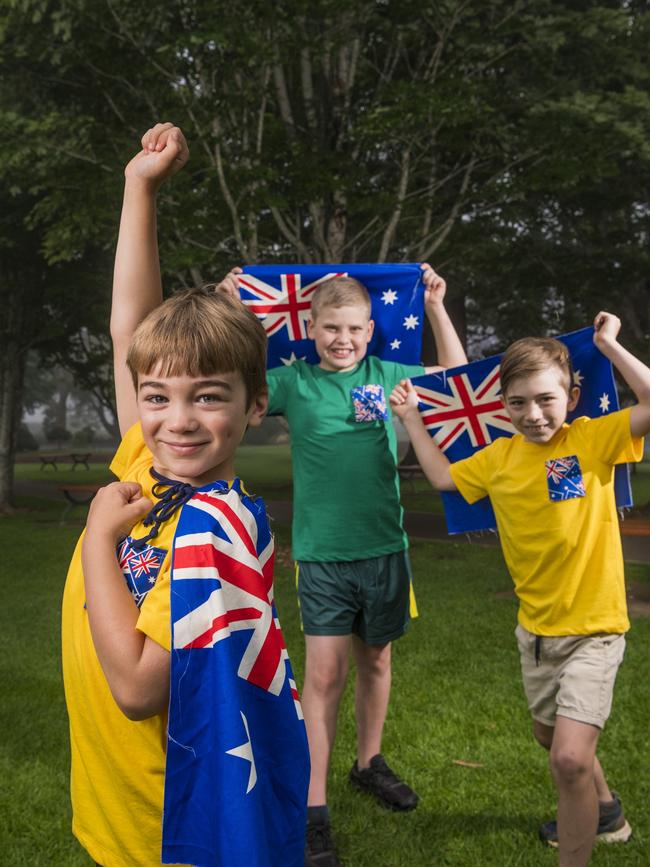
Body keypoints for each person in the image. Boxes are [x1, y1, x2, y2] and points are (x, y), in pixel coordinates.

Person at [61, 125, 309, 867]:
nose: (178, 419)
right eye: (157, 396)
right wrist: (140, 185)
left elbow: (138, 685)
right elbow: (129, 330)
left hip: (166, 818)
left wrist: (100, 538)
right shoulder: (151, 461)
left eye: (208, 396)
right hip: (114, 793)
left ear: (254, 404)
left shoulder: (214, 528)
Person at [217, 266, 467, 864]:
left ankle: (368, 763)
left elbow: (460, 380)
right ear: (311, 326)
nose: (343, 339)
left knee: (377, 660)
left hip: (385, 550)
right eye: (331, 327)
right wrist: (232, 310)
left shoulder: (388, 376)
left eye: (355, 327)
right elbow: (232, 382)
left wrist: (435, 307)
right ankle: (313, 806)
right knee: (324, 678)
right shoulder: (294, 383)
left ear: (371, 328)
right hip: (323, 557)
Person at [389, 313, 649, 867]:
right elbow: (442, 478)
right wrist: (412, 418)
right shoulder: (498, 459)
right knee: (547, 735)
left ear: (572, 397)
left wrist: (610, 345)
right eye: (518, 403)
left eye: (546, 400)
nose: (533, 415)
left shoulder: (592, 440)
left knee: (570, 760)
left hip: (595, 630)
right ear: (501, 405)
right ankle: (606, 813)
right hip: (536, 632)